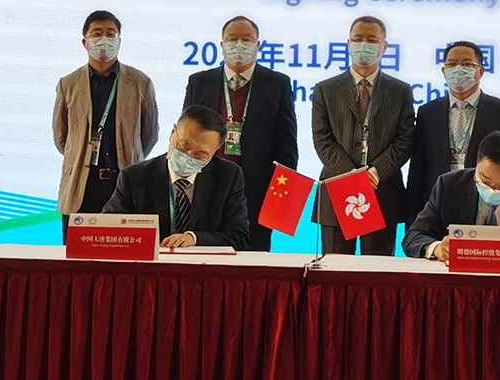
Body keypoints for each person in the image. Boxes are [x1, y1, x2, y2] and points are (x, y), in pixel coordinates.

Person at [181, 16, 297, 251]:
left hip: (257, 192)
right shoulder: (199, 82)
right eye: (232, 39)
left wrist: (281, 198)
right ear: (222, 45)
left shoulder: (277, 84)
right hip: (206, 186)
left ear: (258, 45)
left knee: (254, 260)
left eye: (246, 39)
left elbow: (287, 145)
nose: (239, 45)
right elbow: (186, 138)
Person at [308, 16, 416, 256]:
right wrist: (353, 178)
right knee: (335, 270)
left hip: (382, 192)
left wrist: (375, 173)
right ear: (348, 44)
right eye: (358, 39)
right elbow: (322, 140)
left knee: (377, 272)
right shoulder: (325, 89)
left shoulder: (400, 91)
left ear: (384, 46)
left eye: (372, 39)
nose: (364, 44)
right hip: (337, 190)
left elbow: (405, 140)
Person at [52, 10, 158, 238]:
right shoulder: (67, 84)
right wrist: (80, 156)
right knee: (76, 253)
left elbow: (149, 135)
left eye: (111, 34)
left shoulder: (141, 82)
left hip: (124, 181)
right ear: (85, 42)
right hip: (81, 184)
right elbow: (61, 137)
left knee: (124, 251)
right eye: (97, 33)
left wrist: (129, 155)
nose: (104, 39)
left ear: (119, 41)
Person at [102, 105, 251, 249]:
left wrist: (194, 239)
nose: (189, 156)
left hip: (203, 264)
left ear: (214, 152)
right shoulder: (134, 176)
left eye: (200, 154)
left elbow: (239, 237)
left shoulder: (228, 176)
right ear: (173, 132)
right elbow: (108, 228)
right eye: (184, 146)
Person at [404, 131, 500, 261]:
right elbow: (414, 236)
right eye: (485, 180)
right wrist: (437, 248)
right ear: (477, 164)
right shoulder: (449, 185)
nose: (493, 190)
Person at [408, 41, 500, 212]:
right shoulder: (427, 112)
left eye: (467, 64)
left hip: (484, 204)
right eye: (452, 64)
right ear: (444, 71)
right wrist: (412, 215)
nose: (458, 69)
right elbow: (418, 167)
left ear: (480, 72)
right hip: (435, 203)